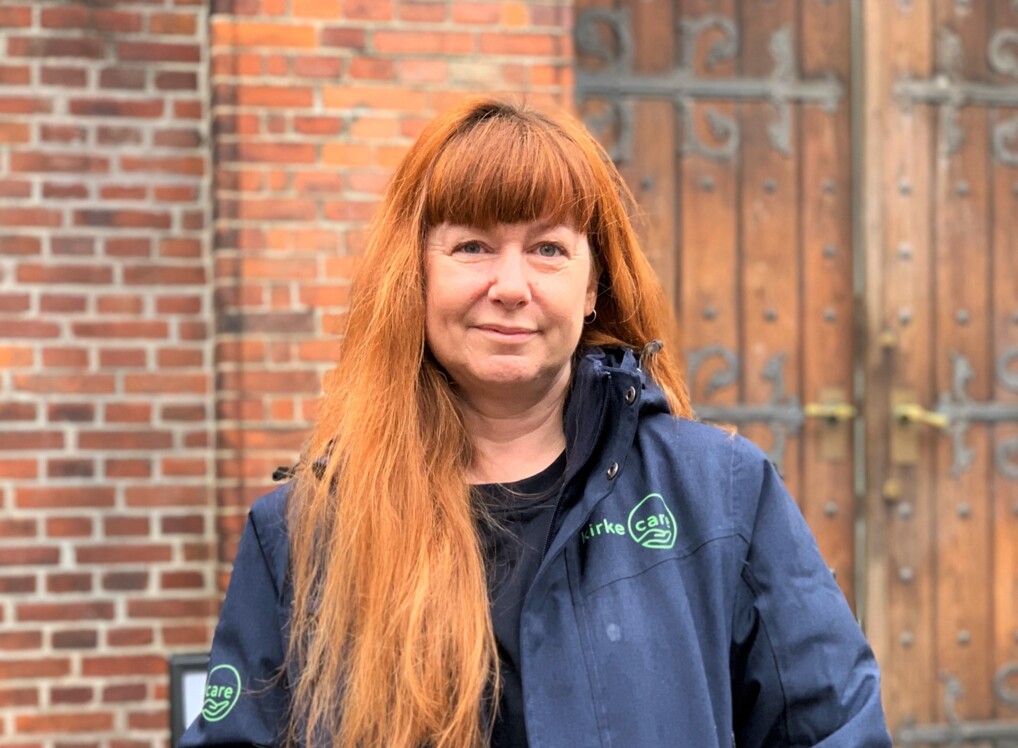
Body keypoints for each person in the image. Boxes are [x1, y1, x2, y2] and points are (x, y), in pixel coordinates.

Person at [180, 98, 891, 747]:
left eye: (548, 249)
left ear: (593, 286)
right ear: (415, 276)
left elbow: (834, 728)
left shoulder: (720, 495)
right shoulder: (305, 533)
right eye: (472, 247)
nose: (511, 287)